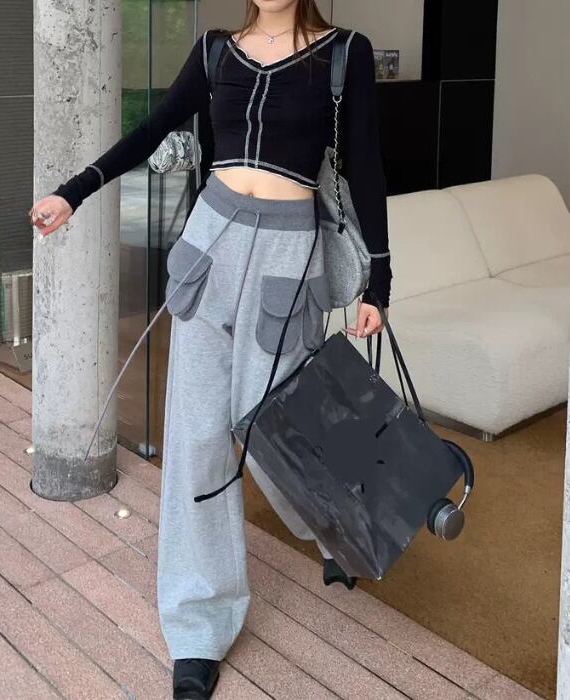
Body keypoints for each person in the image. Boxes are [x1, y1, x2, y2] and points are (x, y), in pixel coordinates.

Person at [30, 1, 392, 697]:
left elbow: (367, 165)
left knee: (279, 429)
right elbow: (152, 130)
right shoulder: (215, 52)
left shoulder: (345, 53)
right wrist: (75, 192)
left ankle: (338, 529)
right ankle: (198, 624)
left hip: (288, 257)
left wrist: (380, 282)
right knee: (196, 439)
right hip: (210, 244)